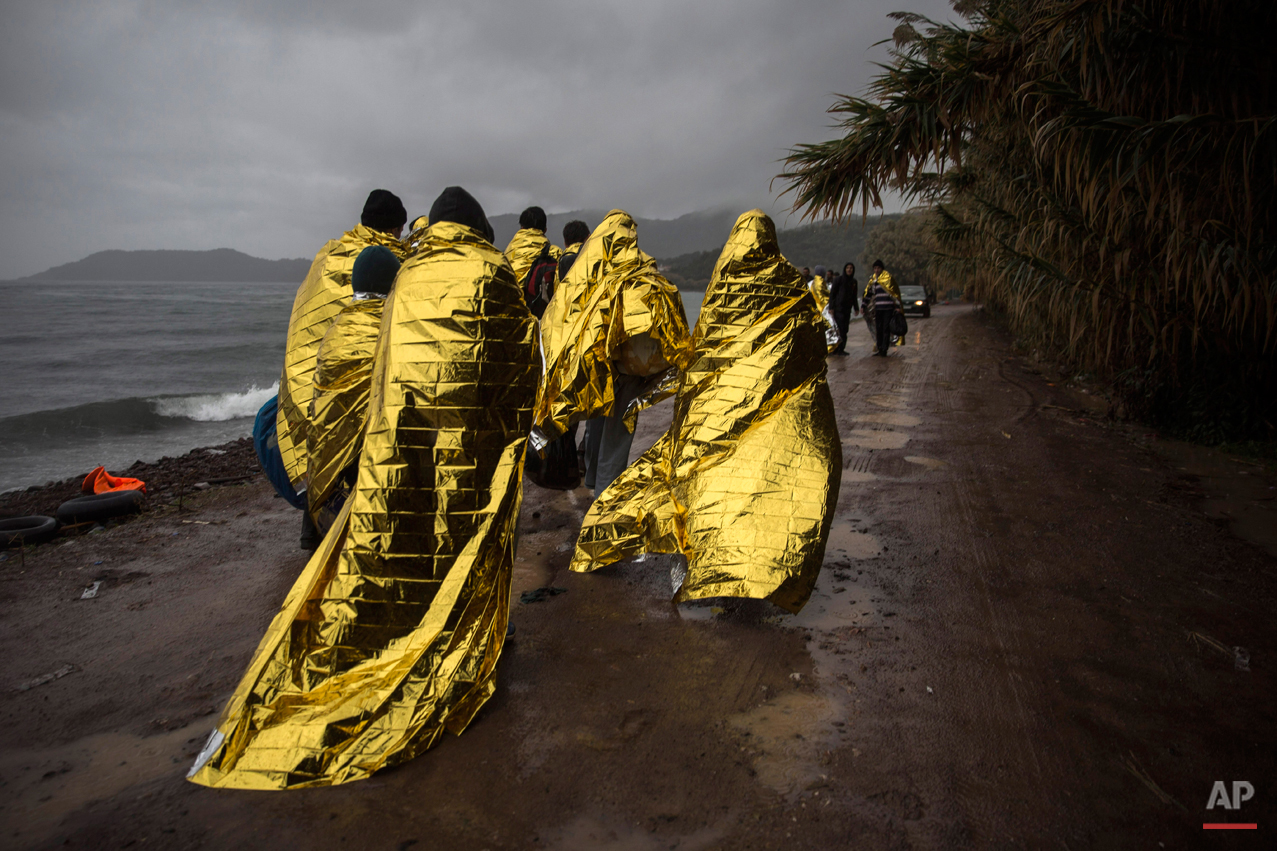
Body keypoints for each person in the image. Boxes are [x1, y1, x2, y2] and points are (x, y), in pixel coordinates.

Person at [187, 186, 540, 790]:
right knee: (472, 538)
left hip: (403, 442)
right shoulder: (493, 270)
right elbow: (521, 359)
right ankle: (475, 636)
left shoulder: (404, 275)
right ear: (479, 225)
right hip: (475, 443)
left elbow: (386, 365)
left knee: (409, 540)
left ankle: (405, 623)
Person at [571, 209, 841, 614]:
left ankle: (711, 556)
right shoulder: (789, 285)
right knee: (763, 479)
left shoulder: (723, 283)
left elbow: (707, 350)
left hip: (719, 409)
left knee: (712, 478)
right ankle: (756, 563)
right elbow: (809, 344)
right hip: (772, 407)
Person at [278, 189, 407, 549]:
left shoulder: (328, 256)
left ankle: (314, 531)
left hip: (319, 373)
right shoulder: (389, 260)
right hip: (368, 379)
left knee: (323, 440)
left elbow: (306, 323)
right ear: (395, 228)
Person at [533, 210, 693, 498]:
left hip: (602, 364)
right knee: (618, 432)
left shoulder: (595, 268)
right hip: (633, 367)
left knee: (597, 421)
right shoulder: (644, 268)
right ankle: (604, 494)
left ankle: (596, 482)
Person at [305, 245, 401, 540]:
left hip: (329, 479)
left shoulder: (336, 331)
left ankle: (310, 533)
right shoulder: (393, 329)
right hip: (374, 470)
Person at [862, 258, 903, 356]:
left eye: (878, 268)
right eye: (875, 268)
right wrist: (863, 306)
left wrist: (897, 306)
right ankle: (880, 349)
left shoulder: (888, 279)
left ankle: (884, 349)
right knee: (879, 329)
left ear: (882, 269)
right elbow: (869, 294)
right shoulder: (873, 281)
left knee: (885, 329)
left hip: (888, 309)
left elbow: (894, 294)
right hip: (878, 309)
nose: (876, 270)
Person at [828, 262, 858, 355]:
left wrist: (856, 308)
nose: (849, 270)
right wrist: (831, 307)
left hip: (847, 309)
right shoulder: (838, 280)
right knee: (839, 329)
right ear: (845, 269)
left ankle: (841, 348)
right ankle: (836, 348)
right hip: (838, 309)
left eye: (851, 268)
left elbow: (854, 296)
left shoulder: (853, 282)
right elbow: (832, 294)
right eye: (848, 268)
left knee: (845, 329)